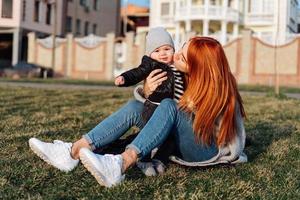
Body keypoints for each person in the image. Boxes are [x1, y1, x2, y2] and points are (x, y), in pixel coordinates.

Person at [29, 36, 247, 188]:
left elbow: (232, 138)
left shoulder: (220, 87)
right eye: (180, 48)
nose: (176, 54)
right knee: (135, 107)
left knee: (170, 106)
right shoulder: (183, 77)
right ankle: (73, 151)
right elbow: (162, 112)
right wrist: (147, 92)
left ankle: (121, 163)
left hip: (205, 150)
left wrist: (231, 156)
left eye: (182, 55)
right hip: (178, 138)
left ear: (198, 64)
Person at [115, 27, 185, 124]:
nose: (163, 53)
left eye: (167, 49)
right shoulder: (150, 64)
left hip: (177, 109)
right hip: (155, 108)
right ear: (150, 54)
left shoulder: (177, 65)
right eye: (157, 51)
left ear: (173, 50)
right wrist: (125, 78)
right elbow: (137, 73)